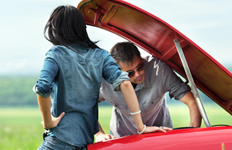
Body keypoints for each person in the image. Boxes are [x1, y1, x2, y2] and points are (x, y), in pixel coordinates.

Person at [33, 5, 170, 150]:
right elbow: (125, 83)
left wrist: (48, 122)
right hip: (85, 143)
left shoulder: (56, 54)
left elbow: (42, 87)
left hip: (58, 141)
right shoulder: (101, 56)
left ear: (56, 28)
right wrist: (141, 127)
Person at [95, 42, 202, 142]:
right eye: (130, 73)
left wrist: (194, 133)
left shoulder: (159, 70)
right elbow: (84, 106)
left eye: (140, 67)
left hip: (160, 136)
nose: (138, 74)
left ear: (141, 58)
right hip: (122, 139)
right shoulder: (104, 80)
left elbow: (192, 101)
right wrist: (99, 133)